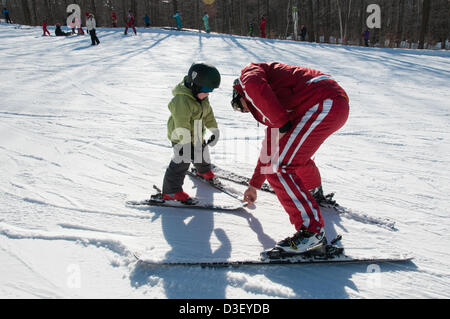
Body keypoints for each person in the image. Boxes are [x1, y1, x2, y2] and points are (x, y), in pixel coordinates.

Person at [231, 62, 349, 254]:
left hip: (324, 102)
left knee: (279, 166)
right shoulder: (276, 109)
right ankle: (313, 192)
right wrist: (254, 185)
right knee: (290, 157)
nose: (244, 112)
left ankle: (312, 234)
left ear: (241, 94)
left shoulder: (248, 78)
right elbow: (268, 150)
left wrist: (279, 121)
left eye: (239, 106)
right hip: (332, 102)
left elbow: (252, 81)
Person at [162, 63, 221, 203]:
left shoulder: (202, 97)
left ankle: (203, 170)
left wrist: (214, 129)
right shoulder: (181, 100)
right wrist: (186, 143)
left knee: (201, 151)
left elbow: (208, 114)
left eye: (210, 91)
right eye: (206, 90)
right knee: (182, 160)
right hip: (181, 136)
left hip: (197, 133)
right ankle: (171, 192)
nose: (208, 94)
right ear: (195, 85)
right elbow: (181, 123)